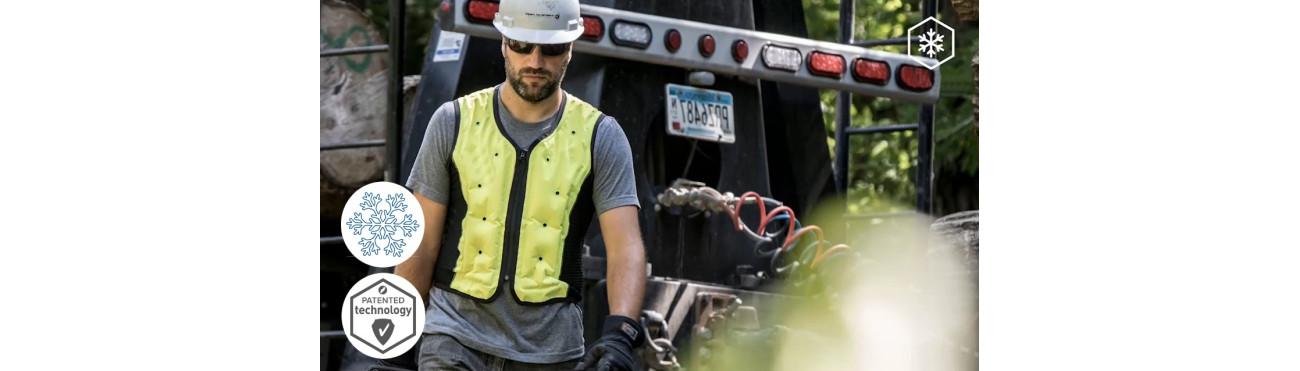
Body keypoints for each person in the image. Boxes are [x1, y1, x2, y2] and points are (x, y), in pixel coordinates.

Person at [394, 0, 647, 370]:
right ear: (503, 40)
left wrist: (621, 330)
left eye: (552, 48)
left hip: (551, 353)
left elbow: (626, 246)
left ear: (571, 48)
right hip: (453, 339)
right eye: (522, 45)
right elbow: (422, 242)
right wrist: (398, 344)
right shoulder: (454, 121)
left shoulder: (600, 136)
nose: (534, 61)